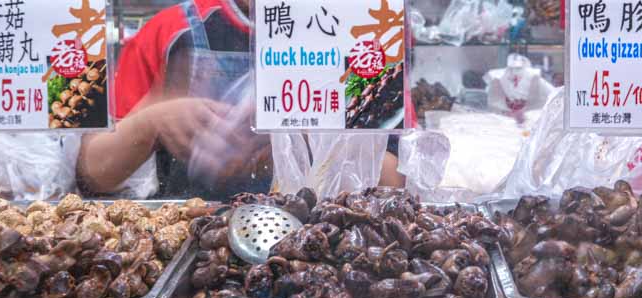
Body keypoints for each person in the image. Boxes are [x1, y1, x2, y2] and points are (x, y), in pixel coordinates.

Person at [76, 0, 402, 200]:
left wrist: (305, 131)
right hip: (194, 239)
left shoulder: (364, 38)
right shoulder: (170, 31)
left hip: (329, 241)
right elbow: (94, 175)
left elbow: (398, 182)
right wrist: (151, 121)